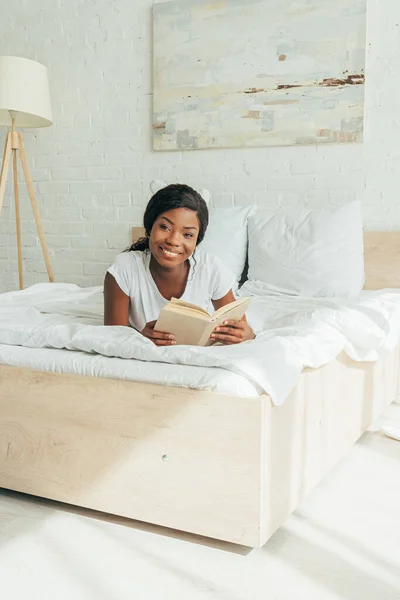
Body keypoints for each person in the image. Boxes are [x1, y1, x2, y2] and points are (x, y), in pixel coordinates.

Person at [104, 184, 255, 346]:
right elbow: (113, 337)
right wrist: (141, 338)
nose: (174, 241)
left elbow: (240, 328)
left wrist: (247, 334)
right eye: (165, 227)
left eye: (188, 234)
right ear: (149, 227)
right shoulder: (125, 268)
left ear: (197, 241)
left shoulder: (211, 268)